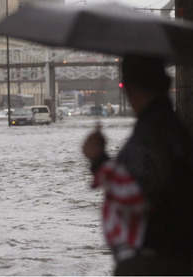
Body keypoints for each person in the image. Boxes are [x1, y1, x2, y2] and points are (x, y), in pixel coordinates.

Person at [82, 55, 193, 275]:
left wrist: (98, 159)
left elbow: (134, 193)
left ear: (128, 87)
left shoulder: (153, 132)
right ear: (167, 83)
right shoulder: (172, 127)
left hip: (150, 261)